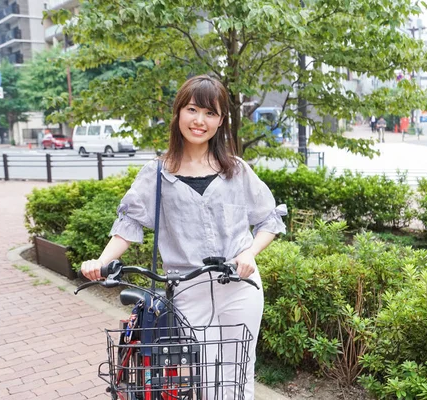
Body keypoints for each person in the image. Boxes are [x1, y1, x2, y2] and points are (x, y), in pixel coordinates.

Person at [80, 75, 287, 399]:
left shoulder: (236, 170)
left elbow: (269, 219)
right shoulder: (158, 173)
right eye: (192, 110)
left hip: (241, 287)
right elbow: (131, 221)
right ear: (178, 114)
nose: (199, 120)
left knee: (238, 375)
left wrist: (249, 253)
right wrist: (102, 261)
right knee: (206, 377)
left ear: (220, 121)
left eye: (210, 113)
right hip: (188, 290)